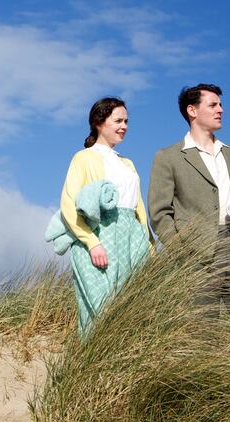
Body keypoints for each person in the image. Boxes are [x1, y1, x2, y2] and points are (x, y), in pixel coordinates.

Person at [147, 83, 230, 340]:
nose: (221, 110)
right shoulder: (168, 157)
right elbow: (159, 213)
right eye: (213, 105)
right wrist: (183, 251)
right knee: (201, 334)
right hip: (195, 252)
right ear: (192, 110)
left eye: (221, 105)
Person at [60, 97, 151, 334]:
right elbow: (69, 203)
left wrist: (148, 243)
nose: (124, 126)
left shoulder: (128, 163)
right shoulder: (84, 157)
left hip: (133, 237)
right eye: (118, 121)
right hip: (100, 235)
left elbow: (139, 207)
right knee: (100, 309)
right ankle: (92, 357)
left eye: (126, 121)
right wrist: (92, 243)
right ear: (99, 122)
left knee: (133, 309)